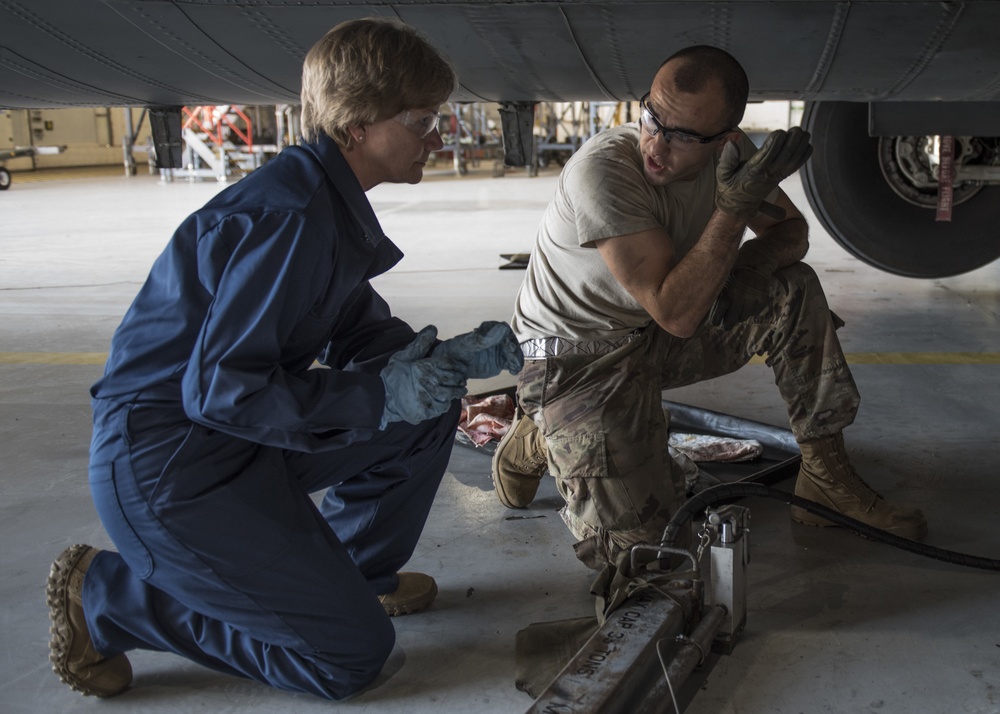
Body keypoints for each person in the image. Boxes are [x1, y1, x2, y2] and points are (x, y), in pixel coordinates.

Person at [45, 18, 522, 702]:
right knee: (350, 659)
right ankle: (110, 599)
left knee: (426, 413)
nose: (438, 137)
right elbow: (219, 391)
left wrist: (439, 359)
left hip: (230, 442)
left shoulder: (323, 200)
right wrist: (381, 395)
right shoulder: (294, 216)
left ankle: (345, 580)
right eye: (421, 121)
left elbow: (352, 330)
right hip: (170, 471)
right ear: (357, 125)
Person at [493, 45, 927, 572]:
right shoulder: (605, 172)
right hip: (575, 361)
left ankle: (825, 477)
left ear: (724, 138)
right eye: (652, 117)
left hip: (651, 335)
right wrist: (732, 210)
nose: (656, 144)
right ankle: (541, 433)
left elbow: (791, 232)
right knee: (649, 552)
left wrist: (747, 270)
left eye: (682, 136)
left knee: (793, 289)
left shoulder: (731, 157)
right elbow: (675, 311)